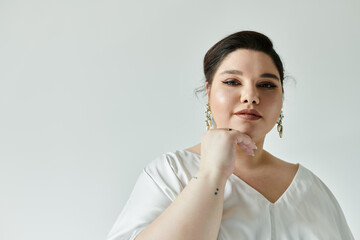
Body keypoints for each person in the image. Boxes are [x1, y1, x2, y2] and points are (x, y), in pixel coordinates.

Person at [107, 31, 354, 240]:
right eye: (233, 82)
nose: (251, 96)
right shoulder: (172, 173)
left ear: (281, 99)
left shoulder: (311, 188)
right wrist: (211, 173)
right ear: (208, 90)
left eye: (267, 85)